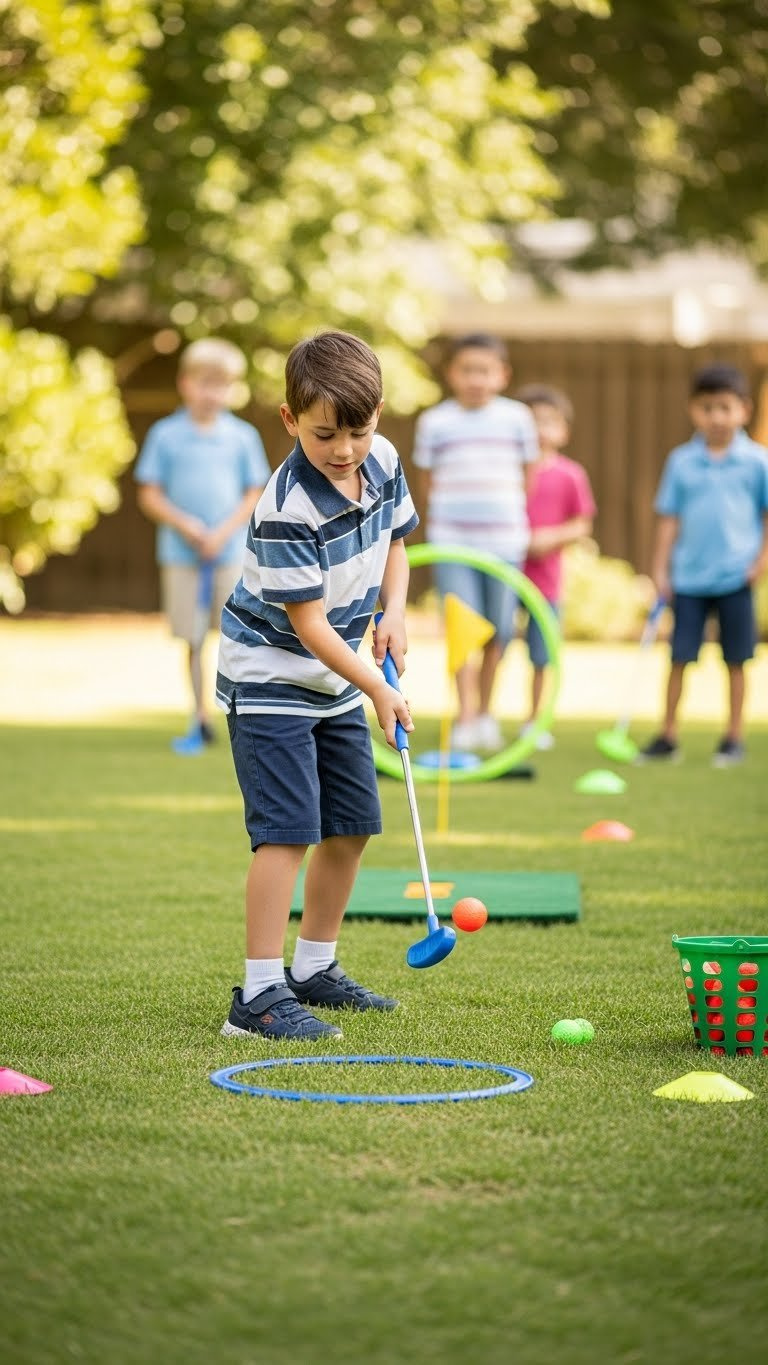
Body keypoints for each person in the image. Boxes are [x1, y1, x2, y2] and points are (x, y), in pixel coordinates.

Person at [216, 330, 419, 1041]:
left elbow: (396, 541)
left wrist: (393, 610)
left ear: (379, 416)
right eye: (324, 432)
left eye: (357, 431)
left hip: (334, 680)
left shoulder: (383, 461)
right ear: (289, 419)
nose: (343, 449)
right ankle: (259, 994)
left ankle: (313, 968)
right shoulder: (285, 508)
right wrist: (379, 687)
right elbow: (310, 629)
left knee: (353, 824)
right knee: (287, 832)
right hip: (271, 677)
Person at [134, 338, 270, 754]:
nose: (212, 393)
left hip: (231, 554)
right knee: (192, 637)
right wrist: (188, 526)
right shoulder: (166, 434)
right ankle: (199, 715)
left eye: (221, 384)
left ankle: (241, 714)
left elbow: (254, 492)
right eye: (204, 383)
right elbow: (150, 493)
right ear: (185, 383)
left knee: (237, 636)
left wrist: (223, 532)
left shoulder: (242, 436)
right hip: (182, 555)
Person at [411, 333, 538, 751]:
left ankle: (486, 712)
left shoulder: (518, 418)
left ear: (502, 375)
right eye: (467, 370)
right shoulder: (435, 422)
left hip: (505, 540)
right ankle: (465, 715)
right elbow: (427, 481)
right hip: (453, 541)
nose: (475, 379)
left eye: (484, 371)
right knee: (462, 628)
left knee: (499, 630)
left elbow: (529, 473)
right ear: (452, 374)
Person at [639, 362, 768, 766]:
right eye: (707, 408)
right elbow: (669, 518)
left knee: (736, 659)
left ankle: (732, 736)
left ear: (743, 410)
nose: (716, 417)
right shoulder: (681, 461)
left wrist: (761, 560)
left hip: (735, 576)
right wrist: (660, 569)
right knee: (679, 657)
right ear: (693, 410)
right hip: (689, 578)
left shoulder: (757, 461)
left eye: (725, 407)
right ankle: (668, 734)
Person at [516, 384, 596, 750]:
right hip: (505, 572)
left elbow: (582, 523)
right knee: (494, 643)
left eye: (549, 422)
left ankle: (535, 721)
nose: (540, 429)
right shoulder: (509, 471)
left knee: (541, 655)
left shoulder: (570, 474)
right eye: (532, 421)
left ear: (564, 430)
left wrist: (549, 538)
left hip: (545, 580)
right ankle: (480, 716)